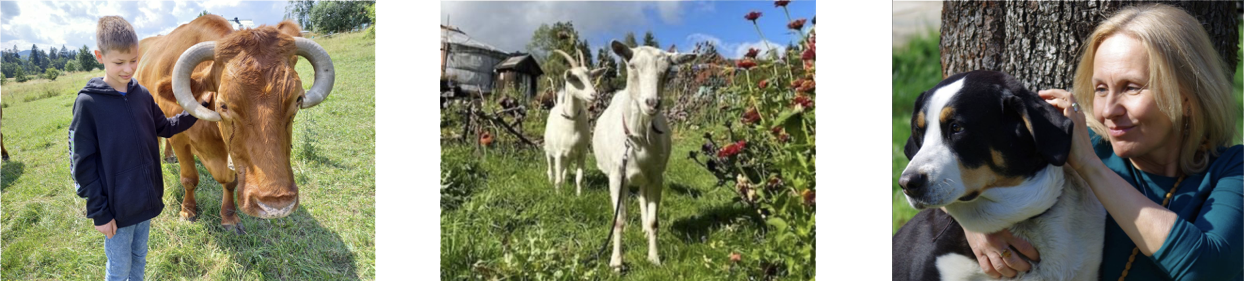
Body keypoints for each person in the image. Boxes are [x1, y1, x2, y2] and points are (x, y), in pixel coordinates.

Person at [962, 4, 1244, 280]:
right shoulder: (1071, 153)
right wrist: (970, 221)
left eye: (1131, 87)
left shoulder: (1233, 169)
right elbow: (958, 166)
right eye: (1100, 89)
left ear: (1186, 98)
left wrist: (1091, 168)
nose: (1108, 110)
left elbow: (1207, 267)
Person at [70, 16, 198, 281]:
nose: (128, 69)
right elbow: (81, 165)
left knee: (140, 257)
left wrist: (196, 110)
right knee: (119, 268)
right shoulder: (88, 103)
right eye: (119, 62)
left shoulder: (142, 94)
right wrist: (99, 212)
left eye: (134, 60)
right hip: (117, 211)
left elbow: (165, 127)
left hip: (145, 201)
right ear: (99, 56)